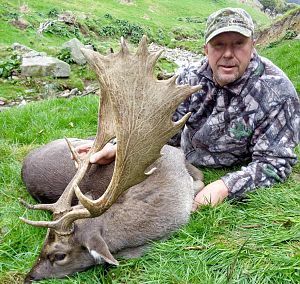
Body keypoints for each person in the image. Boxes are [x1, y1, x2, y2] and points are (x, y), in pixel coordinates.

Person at [76, 8, 300, 211]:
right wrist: (120, 147)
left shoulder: (277, 92)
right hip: (181, 156)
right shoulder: (188, 78)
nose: (228, 54)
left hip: (225, 166)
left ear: (252, 46)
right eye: (219, 45)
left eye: (238, 44)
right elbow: (160, 126)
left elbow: (274, 162)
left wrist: (224, 187)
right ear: (206, 49)